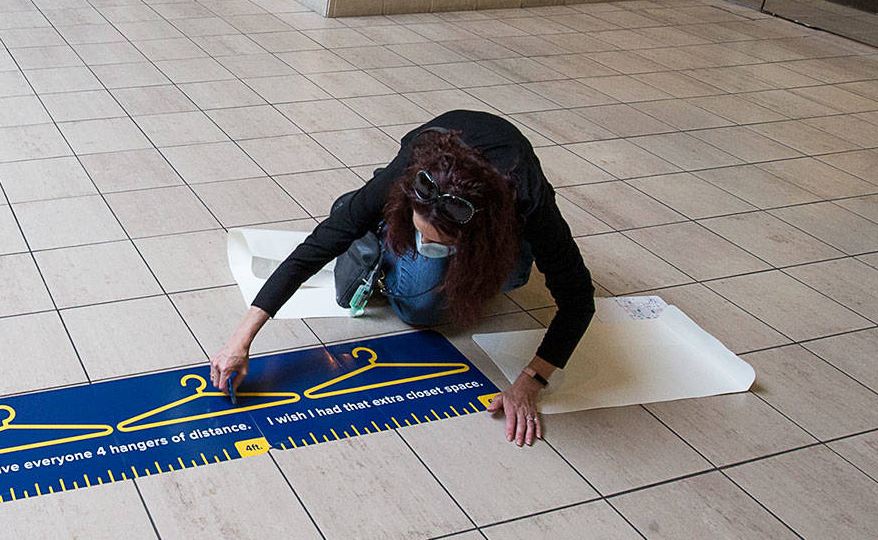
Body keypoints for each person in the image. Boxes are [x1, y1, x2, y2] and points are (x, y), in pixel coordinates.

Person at [211, 109, 594, 447]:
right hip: (417, 192)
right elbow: (319, 245)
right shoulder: (410, 174)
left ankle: (415, 235)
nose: (425, 243)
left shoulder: (528, 203)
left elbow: (578, 299)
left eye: (437, 242)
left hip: (498, 212)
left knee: (511, 279)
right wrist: (241, 338)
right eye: (420, 234)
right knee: (419, 306)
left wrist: (531, 381)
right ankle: (369, 221)